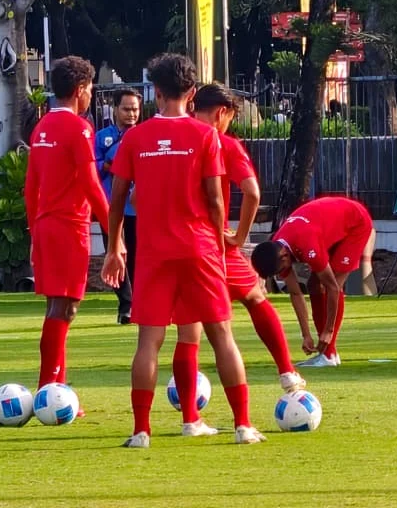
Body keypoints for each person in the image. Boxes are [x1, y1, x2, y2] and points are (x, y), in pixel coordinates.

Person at [101, 53, 264, 448]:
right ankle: (243, 426)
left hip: (154, 252)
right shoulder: (206, 136)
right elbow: (215, 198)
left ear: (155, 91)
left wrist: (114, 247)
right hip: (200, 247)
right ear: (192, 93)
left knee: (148, 341)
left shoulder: (135, 138)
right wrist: (220, 241)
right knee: (221, 334)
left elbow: (118, 198)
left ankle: (141, 431)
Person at [190, 83, 305, 392]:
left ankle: (186, 405)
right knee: (254, 297)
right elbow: (252, 193)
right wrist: (240, 238)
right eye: (231, 118)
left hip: (170, 242)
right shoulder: (225, 145)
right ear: (222, 113)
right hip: (212, 242)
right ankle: (286, 371)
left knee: (183, 323)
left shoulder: (175, 139)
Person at [24, 56, 110, 390]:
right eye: (90, 89)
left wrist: (34, 232)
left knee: (55, 308)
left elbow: (31, 187)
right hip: (69, 227)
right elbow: (91, 184)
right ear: (80, 89)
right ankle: (48, 389)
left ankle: (57, 389)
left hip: (45, 225)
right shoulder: (80, 128)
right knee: (65, 309)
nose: (91, 95)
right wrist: (114, 230)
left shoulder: (42, 127)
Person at [250, 196, 376, 368]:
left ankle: (329, 355)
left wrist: (328, 331)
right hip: (327, 226)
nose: (282, 274)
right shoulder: (277, 250)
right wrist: (306, 335)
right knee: (313, 285)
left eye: (281, 270)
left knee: (332, 283)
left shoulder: (307, 244)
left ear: (285, 256)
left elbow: (332, 287)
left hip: (356, 222)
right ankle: (327, 354)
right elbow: (295, 293)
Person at [94, 88, 141, 324]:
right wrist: (111, 162)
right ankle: (126, 305)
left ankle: (140, 303)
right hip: (111, 207)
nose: (131, 114)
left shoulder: (145, 135)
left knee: (137, 255)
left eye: (135, 109)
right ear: (115, 109)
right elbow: (94, 167)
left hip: (138, 208)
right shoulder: (102, 137)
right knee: (116, 254)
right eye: (126, 109)